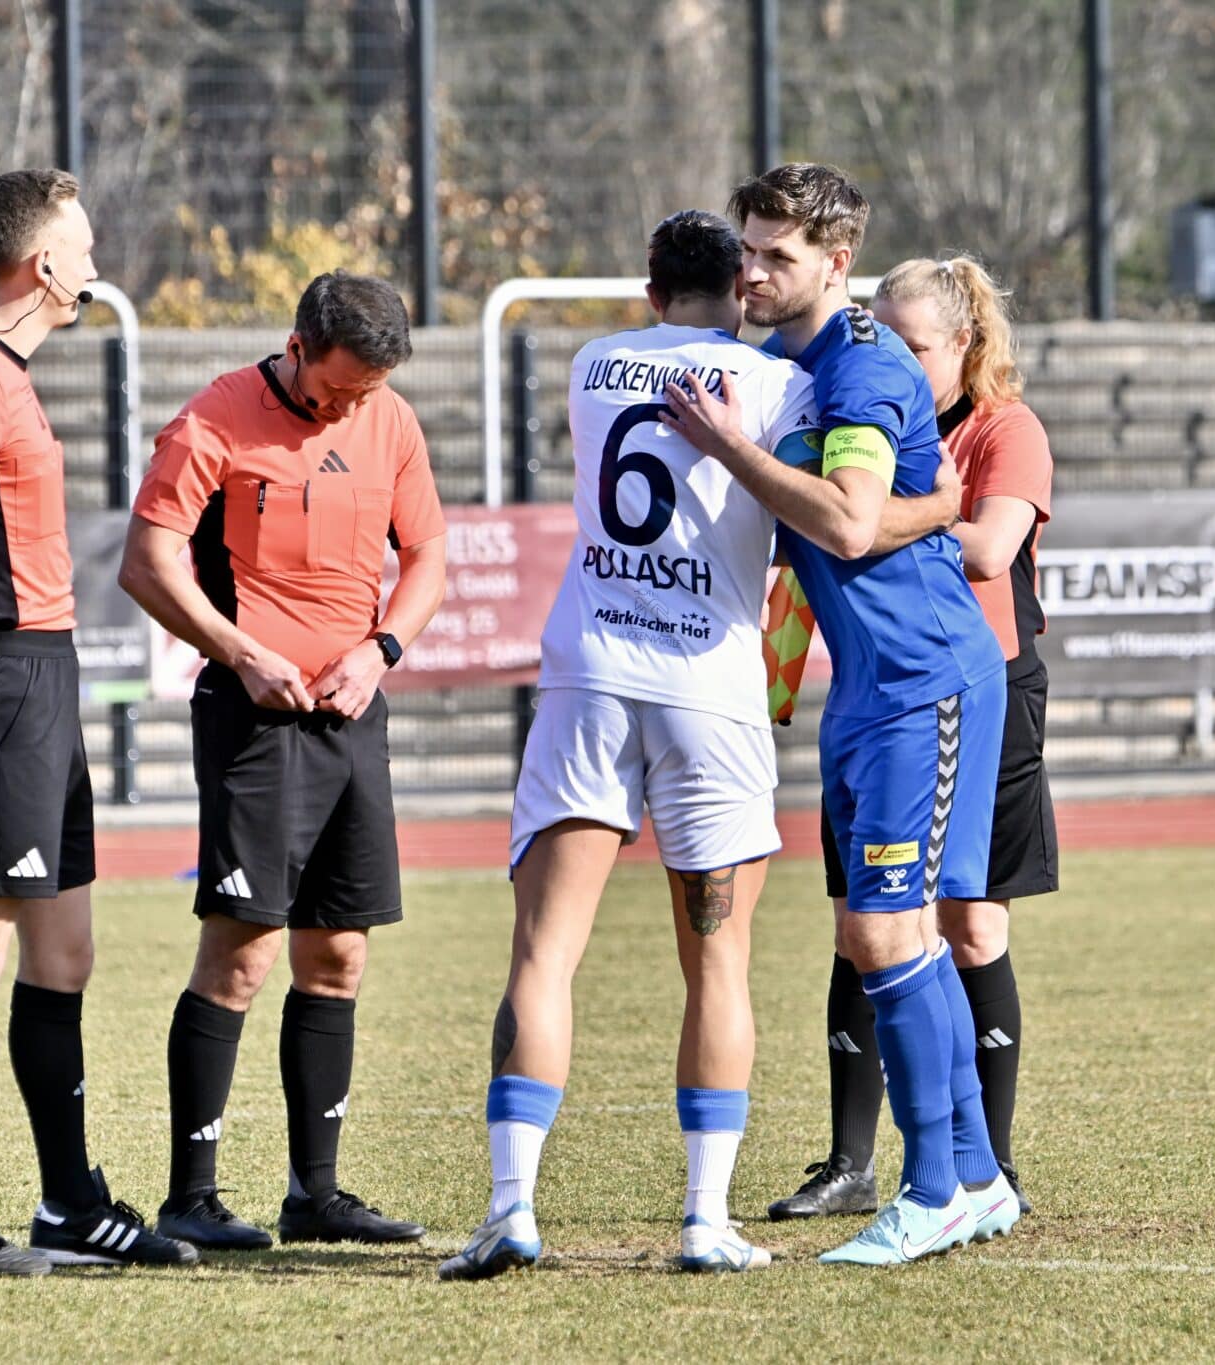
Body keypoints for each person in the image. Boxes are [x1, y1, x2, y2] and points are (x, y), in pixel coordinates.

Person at [440, 210, 957, 1280]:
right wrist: (939, 498)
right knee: (715, 963)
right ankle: (704, 1220)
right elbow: (839, 515)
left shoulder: (592, 364)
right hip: (708, 689)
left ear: (646, 284)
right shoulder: (781, 386)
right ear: (741, 281)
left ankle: (510, 1208)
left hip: (590, 674)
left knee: (543, 953)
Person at [661, 162, 1020, 1266]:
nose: (751, 271)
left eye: (776, 255)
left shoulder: (859, 372)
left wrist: (730, 449)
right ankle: (972, 1177)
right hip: (867, 689)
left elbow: (851, 523)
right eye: (746, 249)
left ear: (836, 261)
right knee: (900, 934)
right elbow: (859, 520)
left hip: (922, 679)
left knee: (879, 933)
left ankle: (929, 1190)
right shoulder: (780, 363)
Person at [0, 168, 196, 1276]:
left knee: (63, 949)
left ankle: (66, 1203)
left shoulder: (1, 375)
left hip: (41, 677)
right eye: (85, 243)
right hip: (3, 682)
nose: (97, 261)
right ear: (43, 265)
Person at [119, 272, 448, 1251]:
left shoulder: (389, 420)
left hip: (352, 716)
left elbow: (427, 557)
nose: (350, 410)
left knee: (338, 953)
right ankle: (193, 1195)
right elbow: (147, 562)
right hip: (251, 720)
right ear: (296, 345)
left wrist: (378, 650)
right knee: (244, 950)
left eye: (366, 394)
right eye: (337, 391)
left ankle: (317, 1193)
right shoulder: (213, 419)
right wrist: (241, 654)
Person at [770, 255, 1058, 1223]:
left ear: (963, 346)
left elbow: (983, 547)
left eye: (913, 342)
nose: (890, 354)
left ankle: (988, 1166)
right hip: (877, 692)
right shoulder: (853, 408)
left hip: (980, 689)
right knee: (867, 926)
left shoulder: (1001, 429)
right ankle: (851, 1159)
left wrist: (874, 513)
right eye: (879, 334)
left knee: (967, 926)